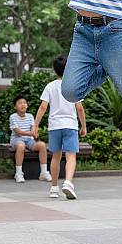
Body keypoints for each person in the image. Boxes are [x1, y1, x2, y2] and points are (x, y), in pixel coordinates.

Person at [34, 55, 87, 199]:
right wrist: (84, 126)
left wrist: (36, 125)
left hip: (54, 126)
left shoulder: (50, 86)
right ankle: (68, 183)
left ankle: (53, 188)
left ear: (54, 70)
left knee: (56, 157)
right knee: (71, 156)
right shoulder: (73, 86)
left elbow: (43, 107)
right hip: (70, 125)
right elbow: (80, 109)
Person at [9, 96, 51, 183]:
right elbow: (18, 132)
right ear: (15, 107)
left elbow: (33, 128)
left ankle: (43, 172)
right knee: (21, 146)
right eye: (20, 103)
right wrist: (31, 133)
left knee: (42, 145)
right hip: (17, 140)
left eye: (24, 103)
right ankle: (19, 173)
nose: (23, 105)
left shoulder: (30, 116)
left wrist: (34, 132)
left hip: (29, 140)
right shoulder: (13, 117)